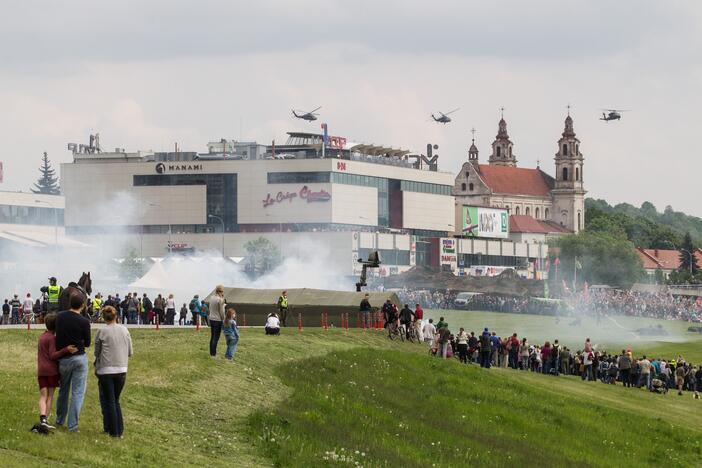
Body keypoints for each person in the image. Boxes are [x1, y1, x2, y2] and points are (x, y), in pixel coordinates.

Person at [94, 306, 133, 438]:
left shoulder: (101, 331)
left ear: (104, 318)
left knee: (110, 400)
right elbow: (130, 351)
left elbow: (96, 352)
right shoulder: (125, 330)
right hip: (122, 368)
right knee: (115, 400)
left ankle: (114, 431)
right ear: (116, 316)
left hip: (106, 369)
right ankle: (118, 430)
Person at [55, 294, 91, 432]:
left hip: (63, 357)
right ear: (82, 305)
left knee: (63, 390)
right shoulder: (84, 321)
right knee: (78, 392)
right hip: (79, 357)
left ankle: (59, 419)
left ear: (70, 303)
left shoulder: (60, 316)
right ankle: (73, 425)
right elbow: (87, 343)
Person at [37, 313, 78, 430]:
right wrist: (66, 350)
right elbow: (53, 355)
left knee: (42, 395)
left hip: (41, 370)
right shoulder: (52, 338)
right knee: (50, 396)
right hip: (51, 371)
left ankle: (42, 417)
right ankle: (46, 420)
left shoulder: (42, 337)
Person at [208, 285, 226, 357]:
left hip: (211, 318)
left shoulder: (212, 298)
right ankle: (213, 354)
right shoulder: (220, 300)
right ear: (221, 291)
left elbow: (210, 308)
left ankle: (211, 352)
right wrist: (223, 319)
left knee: (212, 336)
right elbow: (221, 311)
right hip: (218, 320)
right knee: (216, 337)